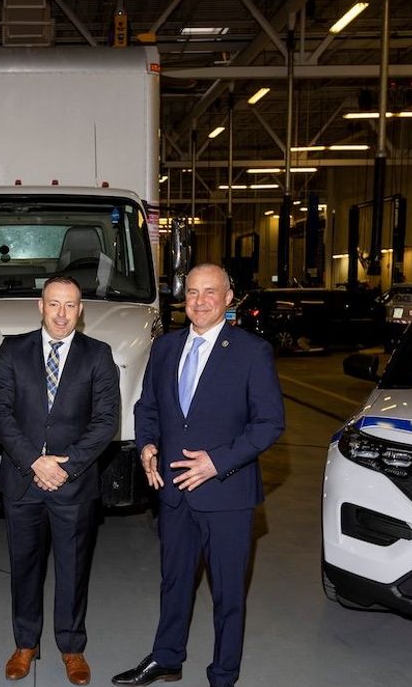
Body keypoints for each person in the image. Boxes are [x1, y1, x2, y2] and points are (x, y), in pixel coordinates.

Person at [112, 264, 285, 687]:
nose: (200, 300)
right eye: (192, 292)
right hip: (174, 494)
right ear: (182, 298)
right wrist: (149, 444)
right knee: (174, 583)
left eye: (211, 292)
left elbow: (269, 423)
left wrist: (217, 462)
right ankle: (166, 658)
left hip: (227, 494)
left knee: (227, 594)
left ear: (229, 298)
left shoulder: (250, 352)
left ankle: (223, 674)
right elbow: (147, 407)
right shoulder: (166, 348)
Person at [0, 276, 120, 685]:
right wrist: (35, 462)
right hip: (23, 482)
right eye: (54, 304)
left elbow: (106, 422)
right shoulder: (12, 350)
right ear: (39, 306)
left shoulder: (98, 355)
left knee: (73, 568)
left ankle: (71, 647)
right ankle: (25, 643)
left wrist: (65, 465)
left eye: (70, 305)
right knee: (24, 567)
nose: (62, 313)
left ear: (81, 310)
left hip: (74, 484)